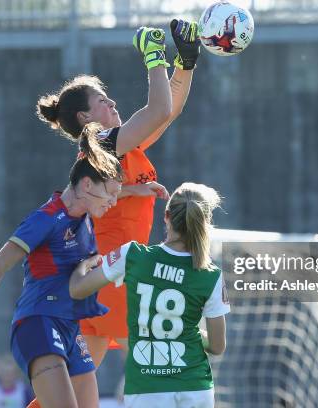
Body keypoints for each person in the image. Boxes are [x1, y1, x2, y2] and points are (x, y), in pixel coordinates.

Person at [35, 18, 200, 368]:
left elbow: (167, 113)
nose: (111, 103)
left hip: (105, 271)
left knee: (77, 379)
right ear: (85, 117)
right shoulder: (103, 143)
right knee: (161, 360)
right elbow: (158, 109)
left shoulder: (120, 146)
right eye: (101, 101)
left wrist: (185, 63)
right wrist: (154, 57)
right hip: (113, 269)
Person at [0, 123, 124, 408]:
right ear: (86, 184)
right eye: (111, 192)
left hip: (69, 328)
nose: (114, 201)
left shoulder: (85, 220)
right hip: (37, 324)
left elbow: (79, 279)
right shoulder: (46, 219)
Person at [69, 182, 230, 408]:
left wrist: (81, 265)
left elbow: (77, 289)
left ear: (166, 216)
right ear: (203, 224)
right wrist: (190, 333)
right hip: (195, 388)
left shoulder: (132, 255)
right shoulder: (211, 275)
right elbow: (217, 346)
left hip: (146, 390)